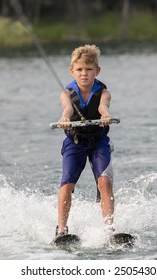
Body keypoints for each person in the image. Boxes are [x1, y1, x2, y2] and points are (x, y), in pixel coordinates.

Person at [56, 44, 115, 237]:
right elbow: (68, 110)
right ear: (72, 71)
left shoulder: (103, 92)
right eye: (79, 70)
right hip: (75, 142)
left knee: (104, 182)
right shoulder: (67, 94)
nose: (84, 74)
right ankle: (62, 230)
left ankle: (109, 229)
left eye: (89, 70)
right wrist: (65, 118)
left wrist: (106, 114)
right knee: (67, 184)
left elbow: (103, 106)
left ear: (97, 71)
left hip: (99, 142)